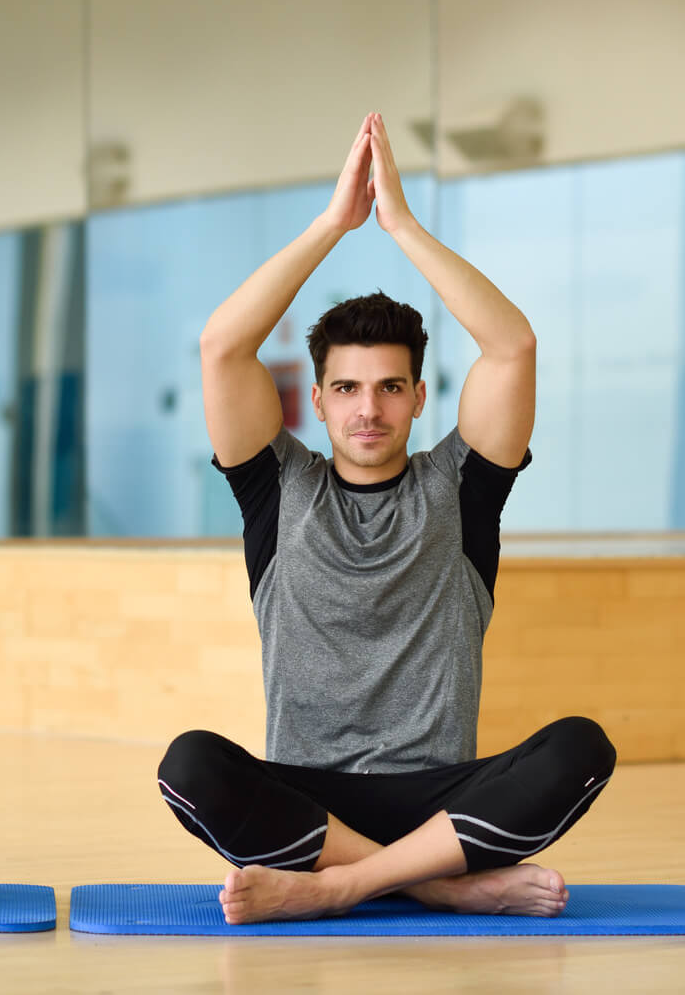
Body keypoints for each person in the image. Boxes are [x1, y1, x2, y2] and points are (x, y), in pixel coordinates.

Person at [158, 112, 616, 924]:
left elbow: (511, 346)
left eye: (388, 387)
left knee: (581, 747)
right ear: (319, 398)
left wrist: (399, 224)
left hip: (439, 801)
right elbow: (222, 347)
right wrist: (334, 224)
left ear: (416, 397)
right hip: (310, 805)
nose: (367, 409)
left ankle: (343, 888)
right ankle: (436, 887)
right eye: (345, 388)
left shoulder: (463, 487)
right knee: (189, 763)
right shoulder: (275, 487)